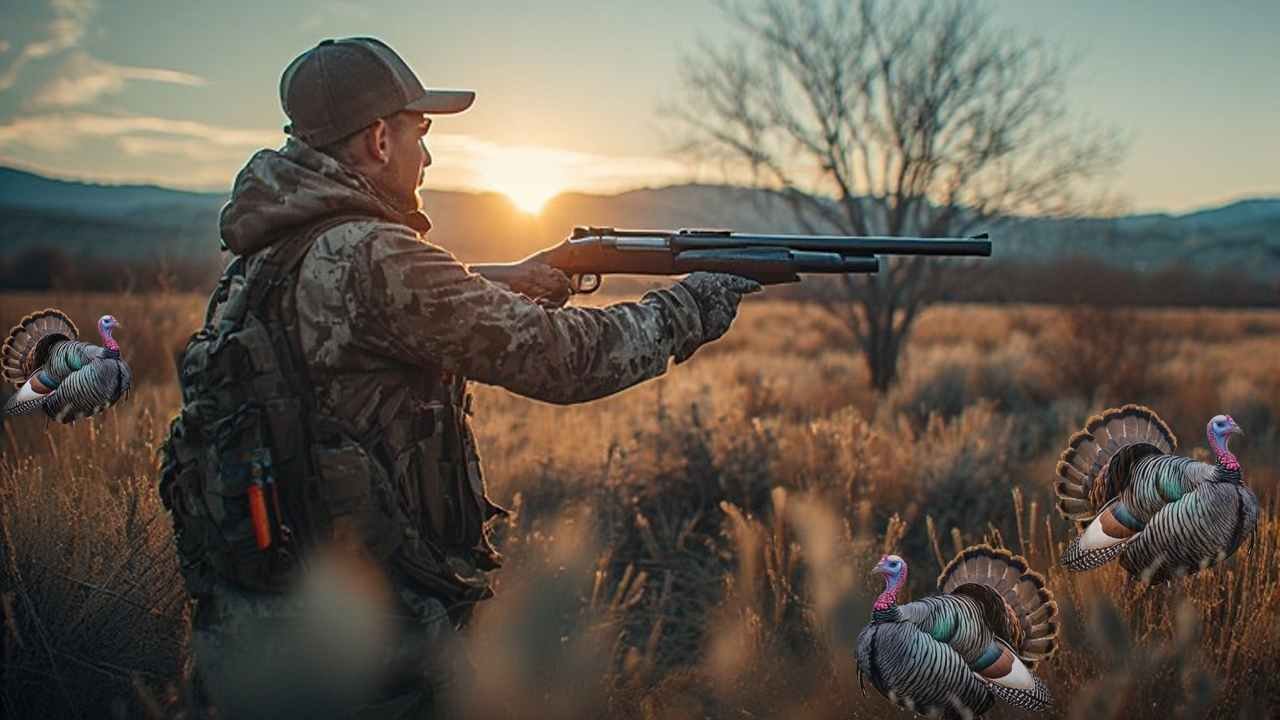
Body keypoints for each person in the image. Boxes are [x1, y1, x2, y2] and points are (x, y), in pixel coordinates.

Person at [159, 36, 760, 718]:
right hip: (372, 638)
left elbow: (361, 343)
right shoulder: (378, 256)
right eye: (422, 132)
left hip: (255, 623)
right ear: (380, 140)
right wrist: (691, 305)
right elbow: (569, 360)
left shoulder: (264, 257)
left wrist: (520, 286)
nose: (430, 153)